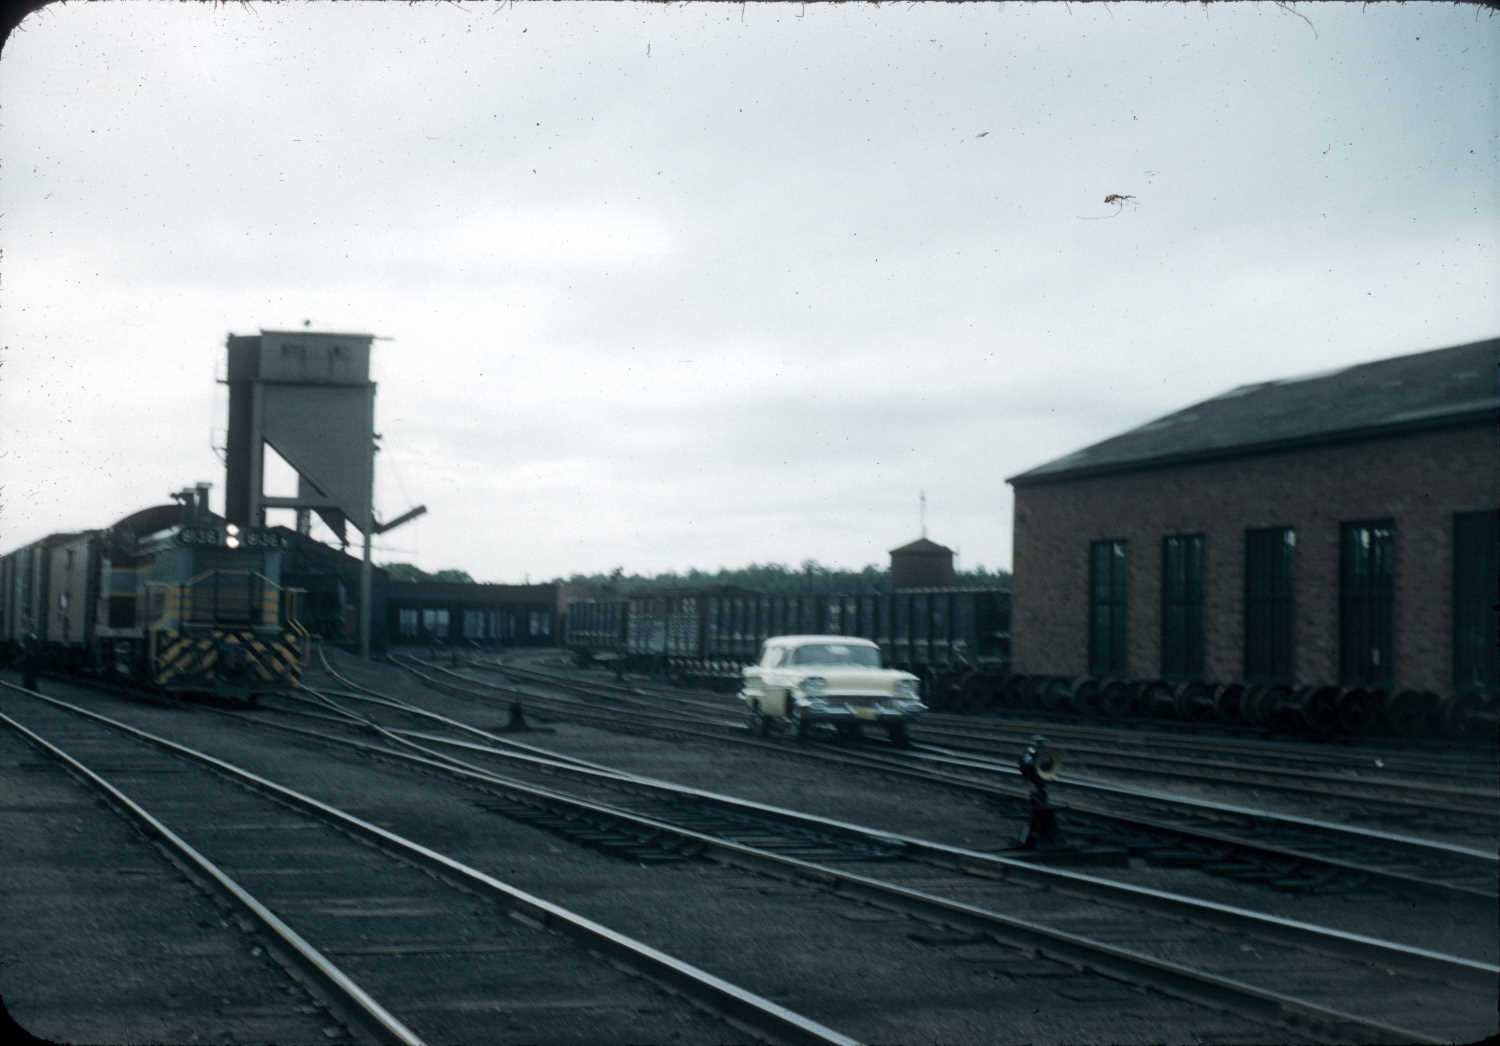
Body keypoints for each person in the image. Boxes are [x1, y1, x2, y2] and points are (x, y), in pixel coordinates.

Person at [20, 619, 40, 691]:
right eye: (31, 625)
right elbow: (35, 644)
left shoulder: (31, 635)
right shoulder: (30, 635)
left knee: (29, 671)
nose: (32, 627)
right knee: (29, 671)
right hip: (29, 655)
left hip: (30, 655)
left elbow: (36, 644)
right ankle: (29, 686)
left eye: (32, 626)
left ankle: (28, 685)